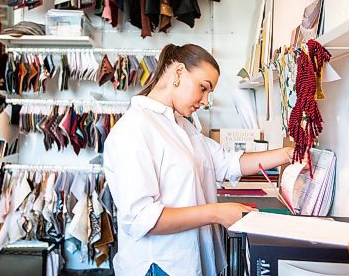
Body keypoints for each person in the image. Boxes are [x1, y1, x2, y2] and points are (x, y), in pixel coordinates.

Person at [103, 44, 295, 276]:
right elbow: (142, 219)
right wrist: (218, 213)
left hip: (188, 260)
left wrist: (289, 154)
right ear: (179, 72)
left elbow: (228, 163)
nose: (205, 101)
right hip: (160, 266)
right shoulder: (134, 129)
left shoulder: (181, 125)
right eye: (203, 88)